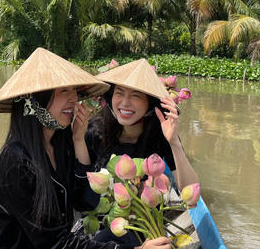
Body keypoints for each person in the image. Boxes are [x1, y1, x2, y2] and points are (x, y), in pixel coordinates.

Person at [0, 48, 173, 249]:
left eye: (74, 91)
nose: (74, 99)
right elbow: (56, 245)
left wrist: (78, 140)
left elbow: (85, 201)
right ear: (35, 100)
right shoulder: (15, 161)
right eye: (63, 91)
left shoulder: (60, 144)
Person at [78, 59, 199, 190]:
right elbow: (82, 178)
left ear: (150, 104)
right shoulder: (96, 128)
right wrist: (78, 139)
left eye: (135, 95)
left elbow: (190, 190)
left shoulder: (162, 133)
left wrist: (174, 143)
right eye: (119, 93)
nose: (125, 103)